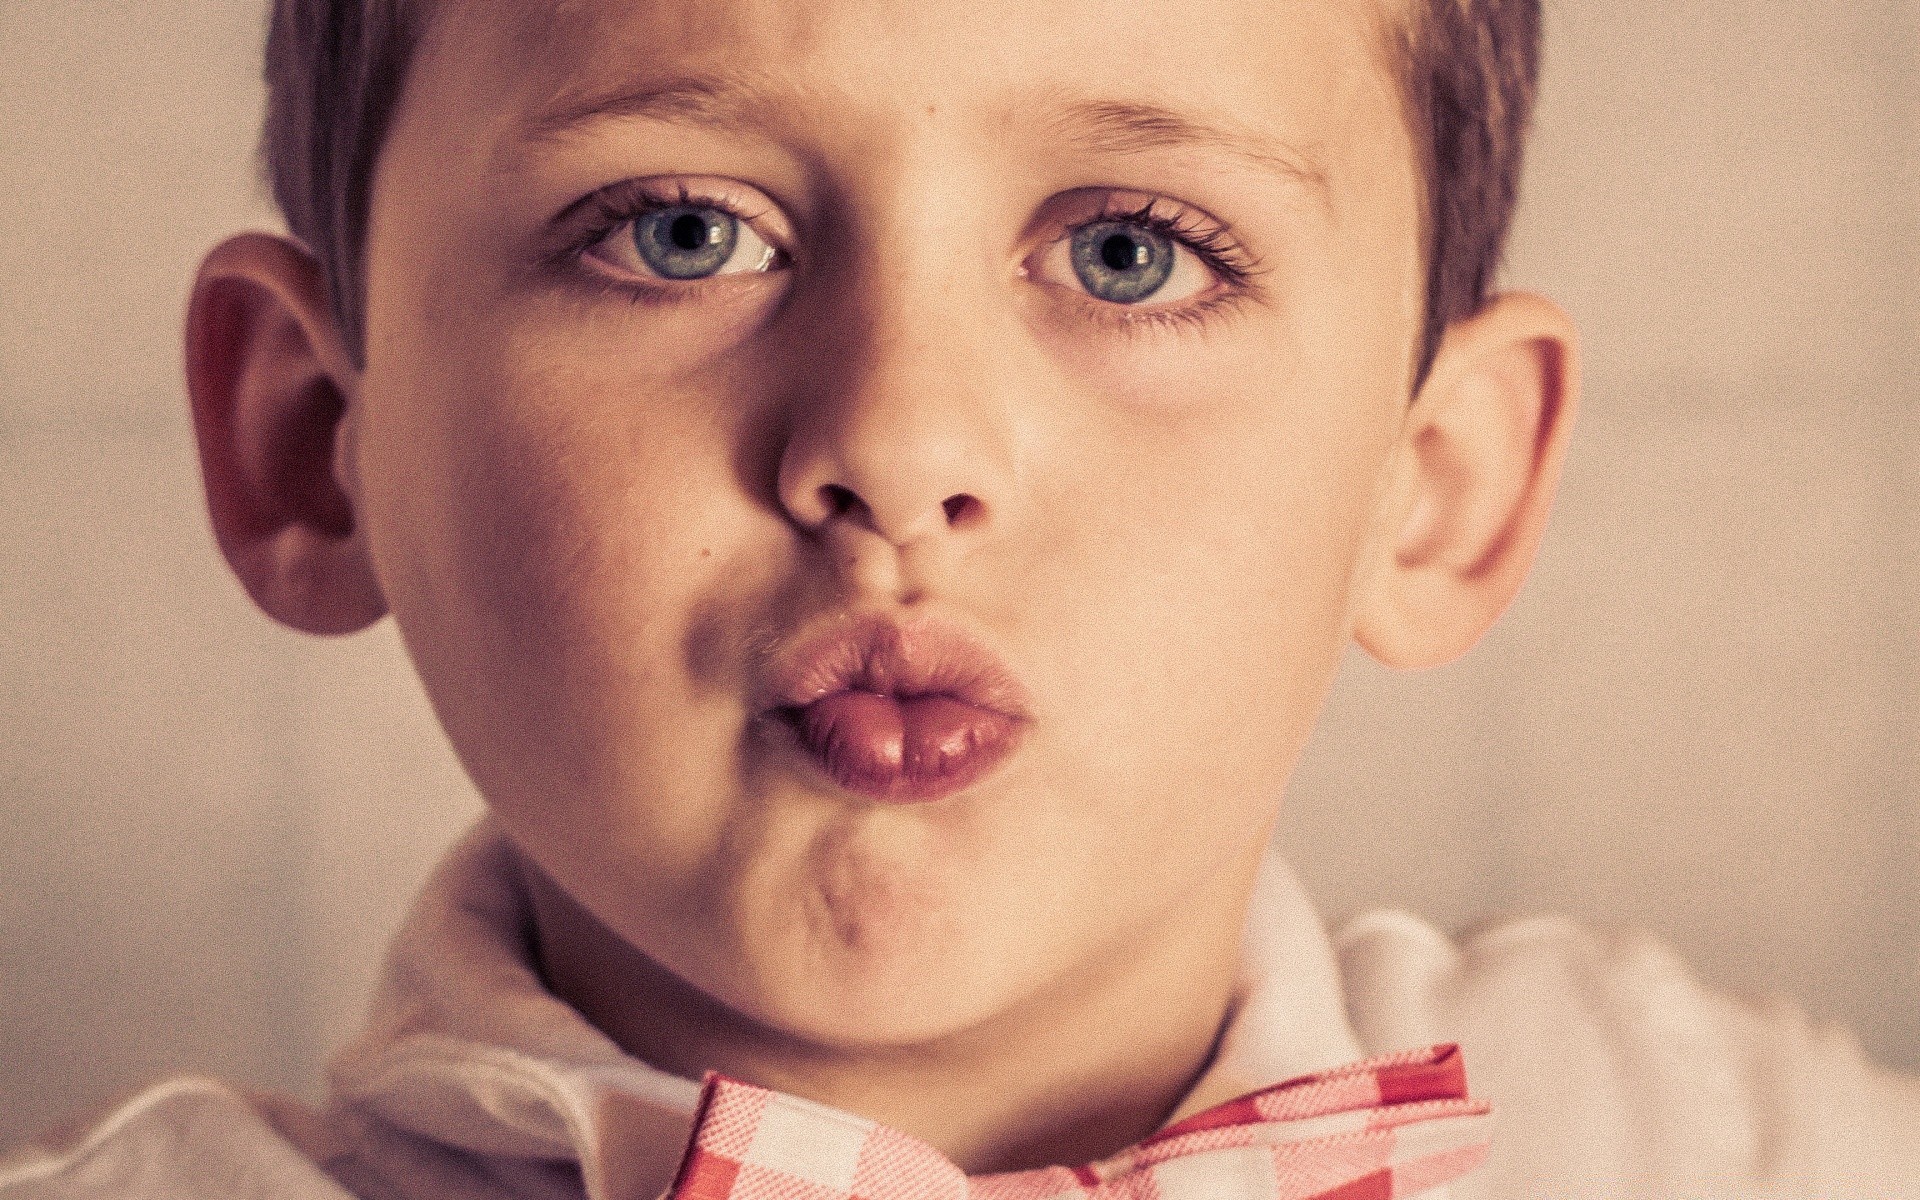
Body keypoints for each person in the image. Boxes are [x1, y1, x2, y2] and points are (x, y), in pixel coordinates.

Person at [4, 0, 1917, 1196]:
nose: (903, 443)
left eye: (1130, 253)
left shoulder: (1713, 1144)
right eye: (683, 231)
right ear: (314, 441)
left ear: (1432, 488)